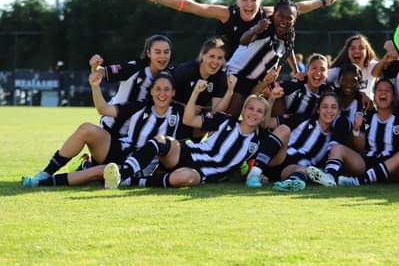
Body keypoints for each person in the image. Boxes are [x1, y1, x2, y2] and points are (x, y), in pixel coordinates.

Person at [103, 79, 285, 189]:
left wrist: (272, 98)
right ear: (243, 110)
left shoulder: (259, 143)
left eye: (259, 112)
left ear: (263, 118)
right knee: (161, 141)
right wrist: (196, 93)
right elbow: (189, 119)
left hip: (202, 172)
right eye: (250, 108)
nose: (253, 113)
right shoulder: (224, 121)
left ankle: (134, 182)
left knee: (183, 179)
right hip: (189, 152)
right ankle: (123, 174)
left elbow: (273, 153)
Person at [21, 71, 191, 188]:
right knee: (86, 129)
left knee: (98, 172)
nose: (162, 94)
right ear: (152, 91)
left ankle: (42, 184)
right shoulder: (139, 106)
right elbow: (104, 109)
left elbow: (187, 141)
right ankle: (45, 173)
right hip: (122, 149)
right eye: (158, 89)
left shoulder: (180, 114)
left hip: (139, 167)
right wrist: (95, 86)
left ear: (173, 92)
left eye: (167, 89)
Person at [145, 0, 336, 58]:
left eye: (253, 0)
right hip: (222, 64)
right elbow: (193, 6)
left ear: (259, 2)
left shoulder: (268, 13)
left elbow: (299, 7)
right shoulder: (227, 14)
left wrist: (323, 2)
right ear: (237, 1)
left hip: (251, 68)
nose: (249, 4)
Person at [304, 78, 399, 187]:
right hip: (367, 164)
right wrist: (356, 129)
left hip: (392, 168)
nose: (383, 93)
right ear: (374, 96)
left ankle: (358, 181)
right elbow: (360, 148)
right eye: (379, 90)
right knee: (337, 147)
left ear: (393, 96)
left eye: (387, 90)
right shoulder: (367, 117)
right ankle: (329, 177)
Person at [244, 92, 352, 192]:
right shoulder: (302, 119)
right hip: (278, 157)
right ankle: (255, 173)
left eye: (333, 107)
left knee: (304, 169)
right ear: (318, 109)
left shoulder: (335, 137)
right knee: (284, 129)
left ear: (338, 111)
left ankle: (293, 182)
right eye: (324, 106)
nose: (329, 111)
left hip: (292, 169)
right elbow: (266, 123)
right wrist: (271, 99)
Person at [224, 0, 298, 115]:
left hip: (258, 82)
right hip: (236, 75)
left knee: (278, 100)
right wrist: (256, 29)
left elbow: (289, 49)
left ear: (294, 21)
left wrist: (296, 70)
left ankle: (273, 130)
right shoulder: (265, 26)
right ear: (274, 14)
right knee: (231, 115)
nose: (284, 20)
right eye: (281, 16)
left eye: (289, 18)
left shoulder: (288, 37)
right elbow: (243, 40)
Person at [90, 34, 172, 132]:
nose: (163, 56)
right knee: (85, 130)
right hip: (111, 128)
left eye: (166, 52)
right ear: (148, 53)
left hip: (136, 135)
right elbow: (101, 72)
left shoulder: (168, 76)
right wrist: (94, 66)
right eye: (157, 52)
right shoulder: (133, 68)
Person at [169, 37, 231, 112]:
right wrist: (186, 108)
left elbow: (216, 112)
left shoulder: (220, 77)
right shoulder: (185, 71)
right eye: (212, 56)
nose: (215, 61)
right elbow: (164, 98)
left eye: (220, 58)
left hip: (194, 119)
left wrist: (230, 91)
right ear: (203, 55)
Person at [328, 34, 380, 100]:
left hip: (367, 109)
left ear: (367, 51)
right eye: (352, 48)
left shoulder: (371, 66)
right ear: (347, 52)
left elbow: (386, 65)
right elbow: (321, 79)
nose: (357, 51)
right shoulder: (338, 71)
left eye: (361, 48)